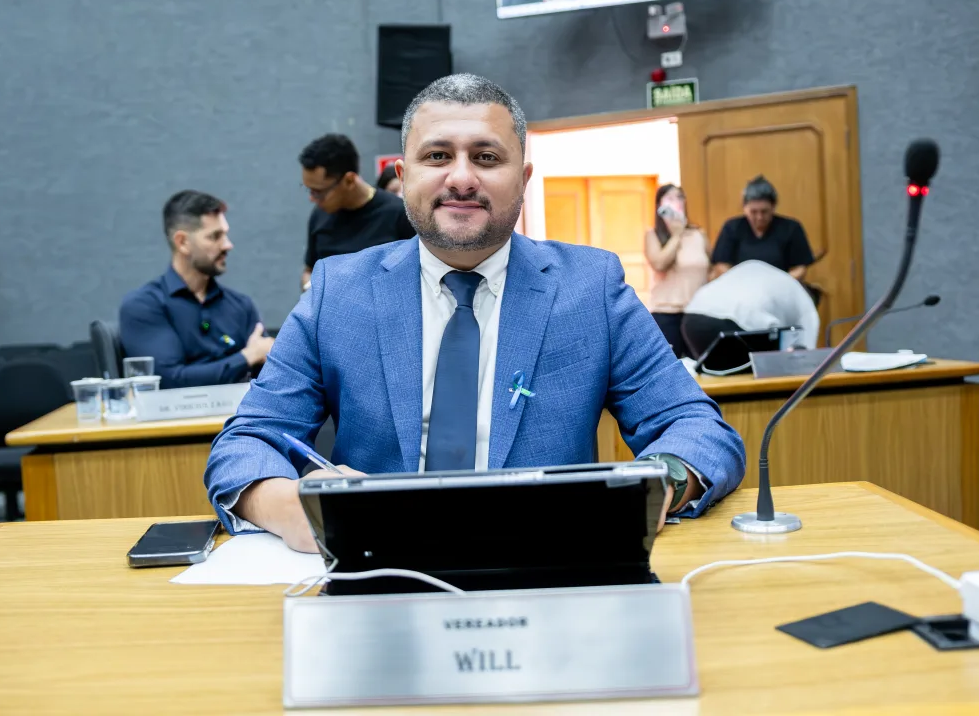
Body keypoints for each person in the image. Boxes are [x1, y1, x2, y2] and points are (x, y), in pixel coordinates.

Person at [205, 73, 744, 553]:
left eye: (486, 158)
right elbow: (246, 442)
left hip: (550, 565)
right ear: (403, 175)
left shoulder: (590, 288)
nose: (461, 178)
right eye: (438, 157)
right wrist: (290, 505)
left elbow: (696, 427)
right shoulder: (337, 292)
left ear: (524, 179)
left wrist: (657, 483)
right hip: (377, 570)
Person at [119, 191, 274, 390]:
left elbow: (270, 379)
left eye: (225, 234)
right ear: (182, 242)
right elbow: (169, 381)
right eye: (215, 236)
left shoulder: (241, 306)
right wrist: (247, 356)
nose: (227, 245)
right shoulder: (145, 305)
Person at [300, 134, 415, 290]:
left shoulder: (399, 214)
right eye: (309, 190)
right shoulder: (320, 214)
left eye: (319, 192)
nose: (312, 198)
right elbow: (309, 270)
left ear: (349, 180)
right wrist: (311, 289)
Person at [682, 260, 820, 358]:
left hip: (692, 316)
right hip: (731, 322)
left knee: (712, 376)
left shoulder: (770, 274)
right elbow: (807, 351)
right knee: (751, 374)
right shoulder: (804, 299)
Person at [645, 184, 710, 358]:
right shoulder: (653, 234)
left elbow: (711, 269)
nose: (676, 202)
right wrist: (676, 234)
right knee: (671, 364)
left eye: (680, 197)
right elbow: (659, 264)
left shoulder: (698, 234)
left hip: (697, 312)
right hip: (666, 313)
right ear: (660, 205)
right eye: (670, 198)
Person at [710, 176, 814, 281]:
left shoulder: (791, 228)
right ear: (744, 208)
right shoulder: (731, 228)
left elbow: (800, 268)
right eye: (753, 212)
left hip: (780, 286)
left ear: (773, 207)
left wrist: (780, 283)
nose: (759, 217)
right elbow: (721, 265)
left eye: (764, 211)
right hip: (740, 287)